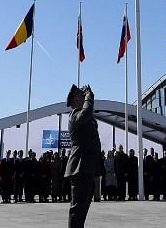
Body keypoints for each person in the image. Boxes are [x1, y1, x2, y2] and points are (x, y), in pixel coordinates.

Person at [65, 84, 101, 228]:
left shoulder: (85, 117)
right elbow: (87, 112)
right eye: (81, 96)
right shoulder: (74, 115)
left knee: (83, 209)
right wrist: (90, 96)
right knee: (77, 209)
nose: (84, 98)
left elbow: (89, 114)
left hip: (87, 167)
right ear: (75, 100)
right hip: (79, 168)